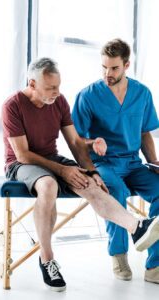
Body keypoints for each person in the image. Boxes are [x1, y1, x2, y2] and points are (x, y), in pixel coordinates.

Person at [2, 57, 159, 292]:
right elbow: (23, 155)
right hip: (21, 164)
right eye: (50, 88)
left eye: (58, 86)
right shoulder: (12, 105)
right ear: (32, 84)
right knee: (48, 186)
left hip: (53, 159)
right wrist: (63, 170)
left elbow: (75, 143)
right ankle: (47, 260)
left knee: (93, 186)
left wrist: (92, 172)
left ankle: (137, 227)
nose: (56, 92)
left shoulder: (60, 102)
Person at [72, 38, 159, 284]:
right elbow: (75, 139)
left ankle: (155, 266)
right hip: (104, 164)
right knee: (116, 191)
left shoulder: (142, 93)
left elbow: (144, 133)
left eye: (113, 68)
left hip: (133, 163)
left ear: (127, 65)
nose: (107, 73)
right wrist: (93, 142)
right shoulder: (88, 95)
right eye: (104, 67)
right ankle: (119, 256)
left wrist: (154, 163)